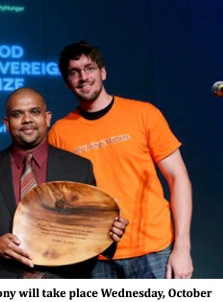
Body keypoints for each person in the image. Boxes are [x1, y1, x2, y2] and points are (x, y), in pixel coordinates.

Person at [48, 41, 193, 279]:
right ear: (67, 82)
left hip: (155, 250)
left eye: (90, 68)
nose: (83, 77)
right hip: (96, 258)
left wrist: (182, 248)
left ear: (103, 72)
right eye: (74, 72)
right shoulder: (60, 133)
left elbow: (179, 179)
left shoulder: (143, 114)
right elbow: (60, 203)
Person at [0, 87, 128, 279]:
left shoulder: (78, 168)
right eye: (17, 114)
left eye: (34, 112)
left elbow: (90, 225)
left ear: (48, 118)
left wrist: (109, 234)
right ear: (7, 123)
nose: (27, 119)